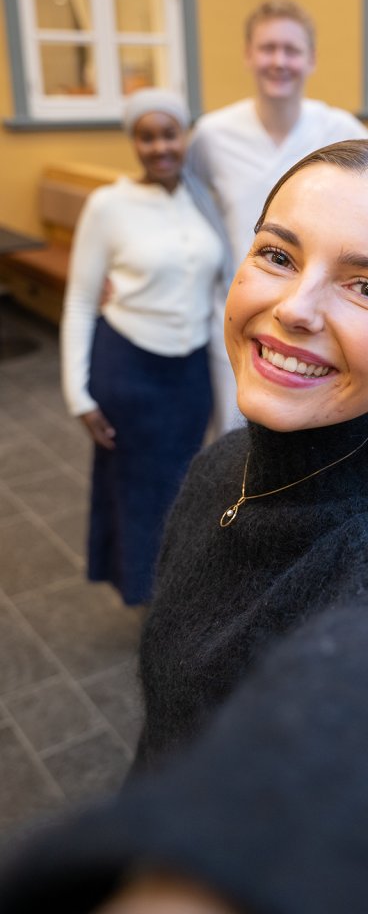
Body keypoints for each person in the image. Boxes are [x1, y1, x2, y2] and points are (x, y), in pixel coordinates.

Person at [0, 140, 368, 914]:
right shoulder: (219, 467)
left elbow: (367, 697)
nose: (296, 307)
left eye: (365, 286)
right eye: (278, 254)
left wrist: (212, 898)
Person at [60, 88, 229, 606]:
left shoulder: (204, 200)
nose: (160, 147)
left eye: (169, 134)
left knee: (185, 483)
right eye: (147, 136)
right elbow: (83, 300)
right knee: (135, 487)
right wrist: (78, 395)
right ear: (134, 142)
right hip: (128, 366)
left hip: (191, 371)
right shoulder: (108, 205)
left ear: (185, 137)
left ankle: (179, 584)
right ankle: (147, 595)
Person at [185, 0, 368, 435]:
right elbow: (180, 202)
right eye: (268, 48)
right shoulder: (212, 135)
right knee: (236, 440)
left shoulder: (340, 129)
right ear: (249, 54)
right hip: (237, 311)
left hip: (314, 314)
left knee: (309, 435)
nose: (279, 61)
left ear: (311, 60)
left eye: (291, 50)